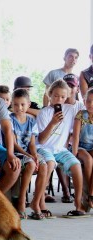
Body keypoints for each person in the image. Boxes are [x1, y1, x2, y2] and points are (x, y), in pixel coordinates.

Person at [36, 79, 86, 217]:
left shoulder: (70, 110)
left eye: (63, 97)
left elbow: (87, 107)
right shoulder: (44, 112)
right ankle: (41, 201)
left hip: (60, 149)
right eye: (56, 96)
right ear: (50, 95)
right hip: (44, 148)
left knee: (76, 165)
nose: (59, 99)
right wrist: (52, 123)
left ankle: (78, 202)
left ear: (67, 97)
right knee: (50, 163)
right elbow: (41, 139)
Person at [9, 89, 50, 220]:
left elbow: (32, 143)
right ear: (11, 104)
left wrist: (35, 155)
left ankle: (35, 202)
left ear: (28, 104)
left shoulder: (32, 121)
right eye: (15, 104)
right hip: (15, 153)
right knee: (31, 164)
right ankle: (21, 201)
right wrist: (29, 156)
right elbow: (14, 144)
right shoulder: (10, 120)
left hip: (28, 153)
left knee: (44, 165)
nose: (19, 108)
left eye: (22, 104)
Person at [72, 88, 93, 210]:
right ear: (84, 101)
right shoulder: (81, 114)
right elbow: (75, 136)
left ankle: (91, 193)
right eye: (89, 101)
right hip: (81, 146)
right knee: (89, 161)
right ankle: (89, 194)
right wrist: (74, 152)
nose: (91, 104)